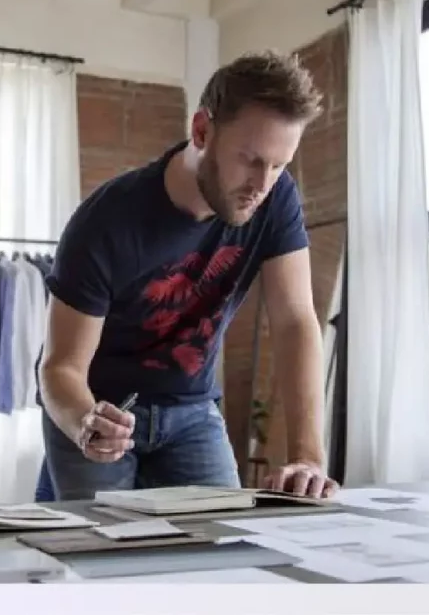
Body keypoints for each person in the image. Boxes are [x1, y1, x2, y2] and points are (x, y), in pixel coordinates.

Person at [37, 50, 338, 501]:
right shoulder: (105, 222)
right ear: (201, 131)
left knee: (222, 552)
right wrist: (84, 423)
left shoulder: (275, 198)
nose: (262, 184)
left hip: (194, 412)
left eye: (279, 166)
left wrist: (308, 457)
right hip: (101, 410)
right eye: (250, 159)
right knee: (99, 558)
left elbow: (295, 321)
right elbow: (59, 368)